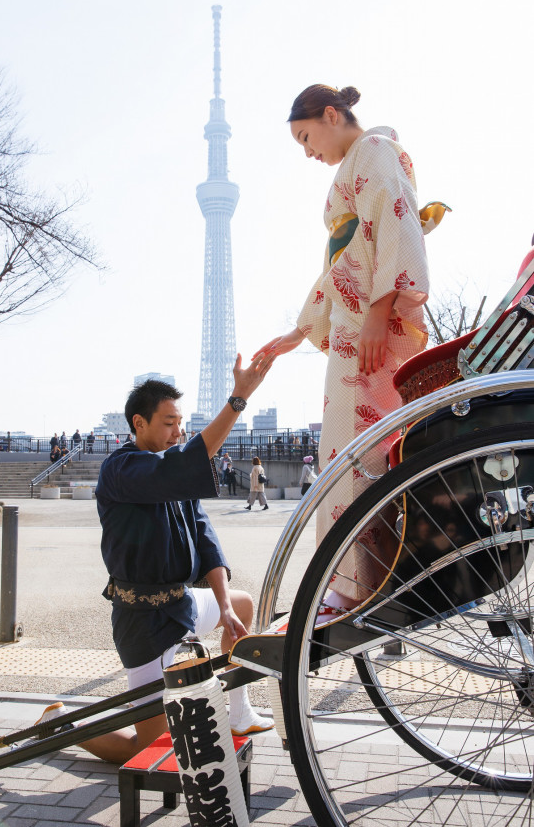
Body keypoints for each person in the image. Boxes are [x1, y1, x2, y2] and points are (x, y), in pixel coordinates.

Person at [36, 352, 276, 764]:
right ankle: (61, 724)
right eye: (169, 424)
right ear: (138, 423)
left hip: (181, 602)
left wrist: (221, 604)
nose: (177, 432)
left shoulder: (169, 469)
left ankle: (239, 712)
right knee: (148, 749)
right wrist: (237, 398)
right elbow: (178, 469)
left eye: (180, 424)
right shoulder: (122, 469)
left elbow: (206, 541)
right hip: (145, 621)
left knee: (241, 604)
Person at [254, 84, 430, 608]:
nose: (308, 151)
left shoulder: (374, 152)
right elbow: (342, 258)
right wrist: (301, 329)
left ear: (332, 115)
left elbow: (394, 221)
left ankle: (358, 584)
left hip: (374, 323)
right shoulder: (356, 162)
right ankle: (356, 578)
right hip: (357, 323)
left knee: (360, 449)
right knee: (349, 449)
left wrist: (379, 309)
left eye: (307, 137)